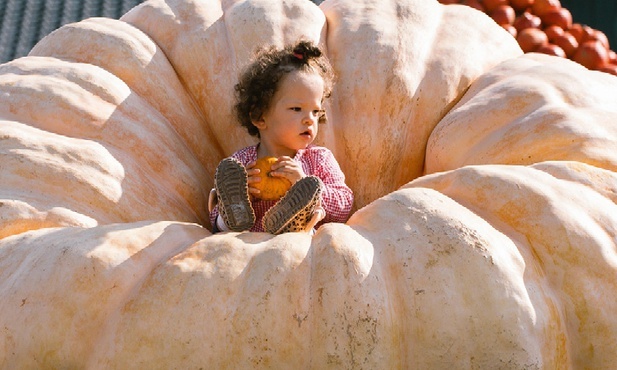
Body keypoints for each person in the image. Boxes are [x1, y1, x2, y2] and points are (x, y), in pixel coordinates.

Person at [208, 40, 353, 235]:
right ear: (260, 116)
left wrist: (306, 185)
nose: (309, 120)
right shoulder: (243, 164)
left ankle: (294, 220)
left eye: (315, 112)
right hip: (249, 247)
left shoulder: (318, 159)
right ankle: (234, 216)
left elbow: (344, 203)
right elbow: (214, 213)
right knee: (229, 208)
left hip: (301, 246)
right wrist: (244, 196)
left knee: (309, 216)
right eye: (296, 109)